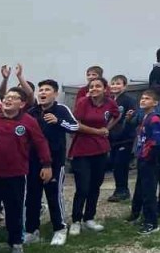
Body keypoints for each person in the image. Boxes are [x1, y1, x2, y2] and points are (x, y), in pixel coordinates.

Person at [0, 87, 52, 253]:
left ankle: (15, 242)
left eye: (13, 98)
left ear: (22, 104)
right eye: (6, 97)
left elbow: (41, 143)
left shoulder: (28, 121)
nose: (8, 100)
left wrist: (47, 164)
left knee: (14, 211)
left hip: (16, 174)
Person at [25, 80, 77, 246]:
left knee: (54, 195)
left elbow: (75, 127)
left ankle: (60, 229)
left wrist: (58, 121)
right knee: (32, 197)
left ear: (55, 94)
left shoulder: (61, 109)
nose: (43, 92)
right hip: (33, 161)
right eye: (41, 90)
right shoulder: (32, 112)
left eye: (47, 90)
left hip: (55, 161)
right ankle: (32, 230)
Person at [68, 77, 119, 236]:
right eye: (92, 86)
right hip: (82, 149)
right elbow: (76, 124)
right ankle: (76, 220)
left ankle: (89, 218)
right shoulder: (83, 102)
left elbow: (116, 115)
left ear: (105, 88)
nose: (94, 89)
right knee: (82, 187)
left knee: (95, 186)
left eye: (98, 86)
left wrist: (107, 127)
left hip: (101, 149)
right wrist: (98, 131)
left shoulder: (110, 103)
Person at [130, 90, 160, 236]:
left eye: (147, 98)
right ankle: (139, 215)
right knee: (141, 189)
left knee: (149, 192)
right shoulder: (145, 117)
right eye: (142, 98)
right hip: (142, 158)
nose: (143, 100)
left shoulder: (154, 119)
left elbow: (156, 141)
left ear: (155, 103)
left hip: (150, 160)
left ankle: (151, 222)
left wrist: (148, 156)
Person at [106, 75, 139, 203]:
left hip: (125, 138)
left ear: (125, 86)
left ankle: (122, 190)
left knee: (120, 164)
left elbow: (134, 117)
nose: (115, 86)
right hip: (112, 138)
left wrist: (130, 119)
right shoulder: (109, 100)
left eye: (118, 84)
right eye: (113, 83)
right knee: (115, 163)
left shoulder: (129, 100)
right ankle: (119, 188)